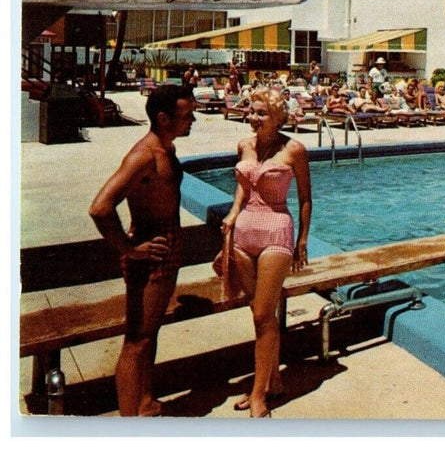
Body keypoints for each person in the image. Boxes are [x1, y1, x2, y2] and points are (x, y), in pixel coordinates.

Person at [88, 84, 196, 416]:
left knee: (149, 334)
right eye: (187, 114)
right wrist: (130, 249)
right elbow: (100, 207)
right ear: (164, 118)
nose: (193, 120)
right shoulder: (144, 156)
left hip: (167, 244)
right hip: (150, 250)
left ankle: (145, 401)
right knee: (135, 342)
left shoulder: (168, 149)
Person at [218, 87, 312, 417]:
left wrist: (302, 240)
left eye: (261, 113)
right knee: (260, 313)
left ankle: (258, 395)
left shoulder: (295, 149)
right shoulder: (245, 145)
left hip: (276, 232)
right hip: (244, 233)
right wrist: (232, 213)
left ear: (278, 118)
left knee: (261, 315)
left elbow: (304, 198)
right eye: (251, 111)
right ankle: (273, 381)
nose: (252, 117)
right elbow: (244, 185)